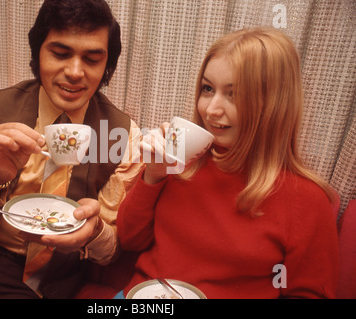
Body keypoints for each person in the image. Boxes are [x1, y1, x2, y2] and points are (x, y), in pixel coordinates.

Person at [0, 0, 142, 299]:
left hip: (38, 281)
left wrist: (94, 232)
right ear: (38, 53)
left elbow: (111, 250)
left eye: (92, 59)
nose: (74, 72)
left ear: (107, 65)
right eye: (60, 54)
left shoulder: (122, 135)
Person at [116, 27, 339, 299]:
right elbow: (129, 240)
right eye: (207, 89)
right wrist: (153, 174)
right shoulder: (181, 159)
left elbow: (308, 293)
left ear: (274, 105)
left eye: (234, 94)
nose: (210, 109)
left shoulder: (307, 201)